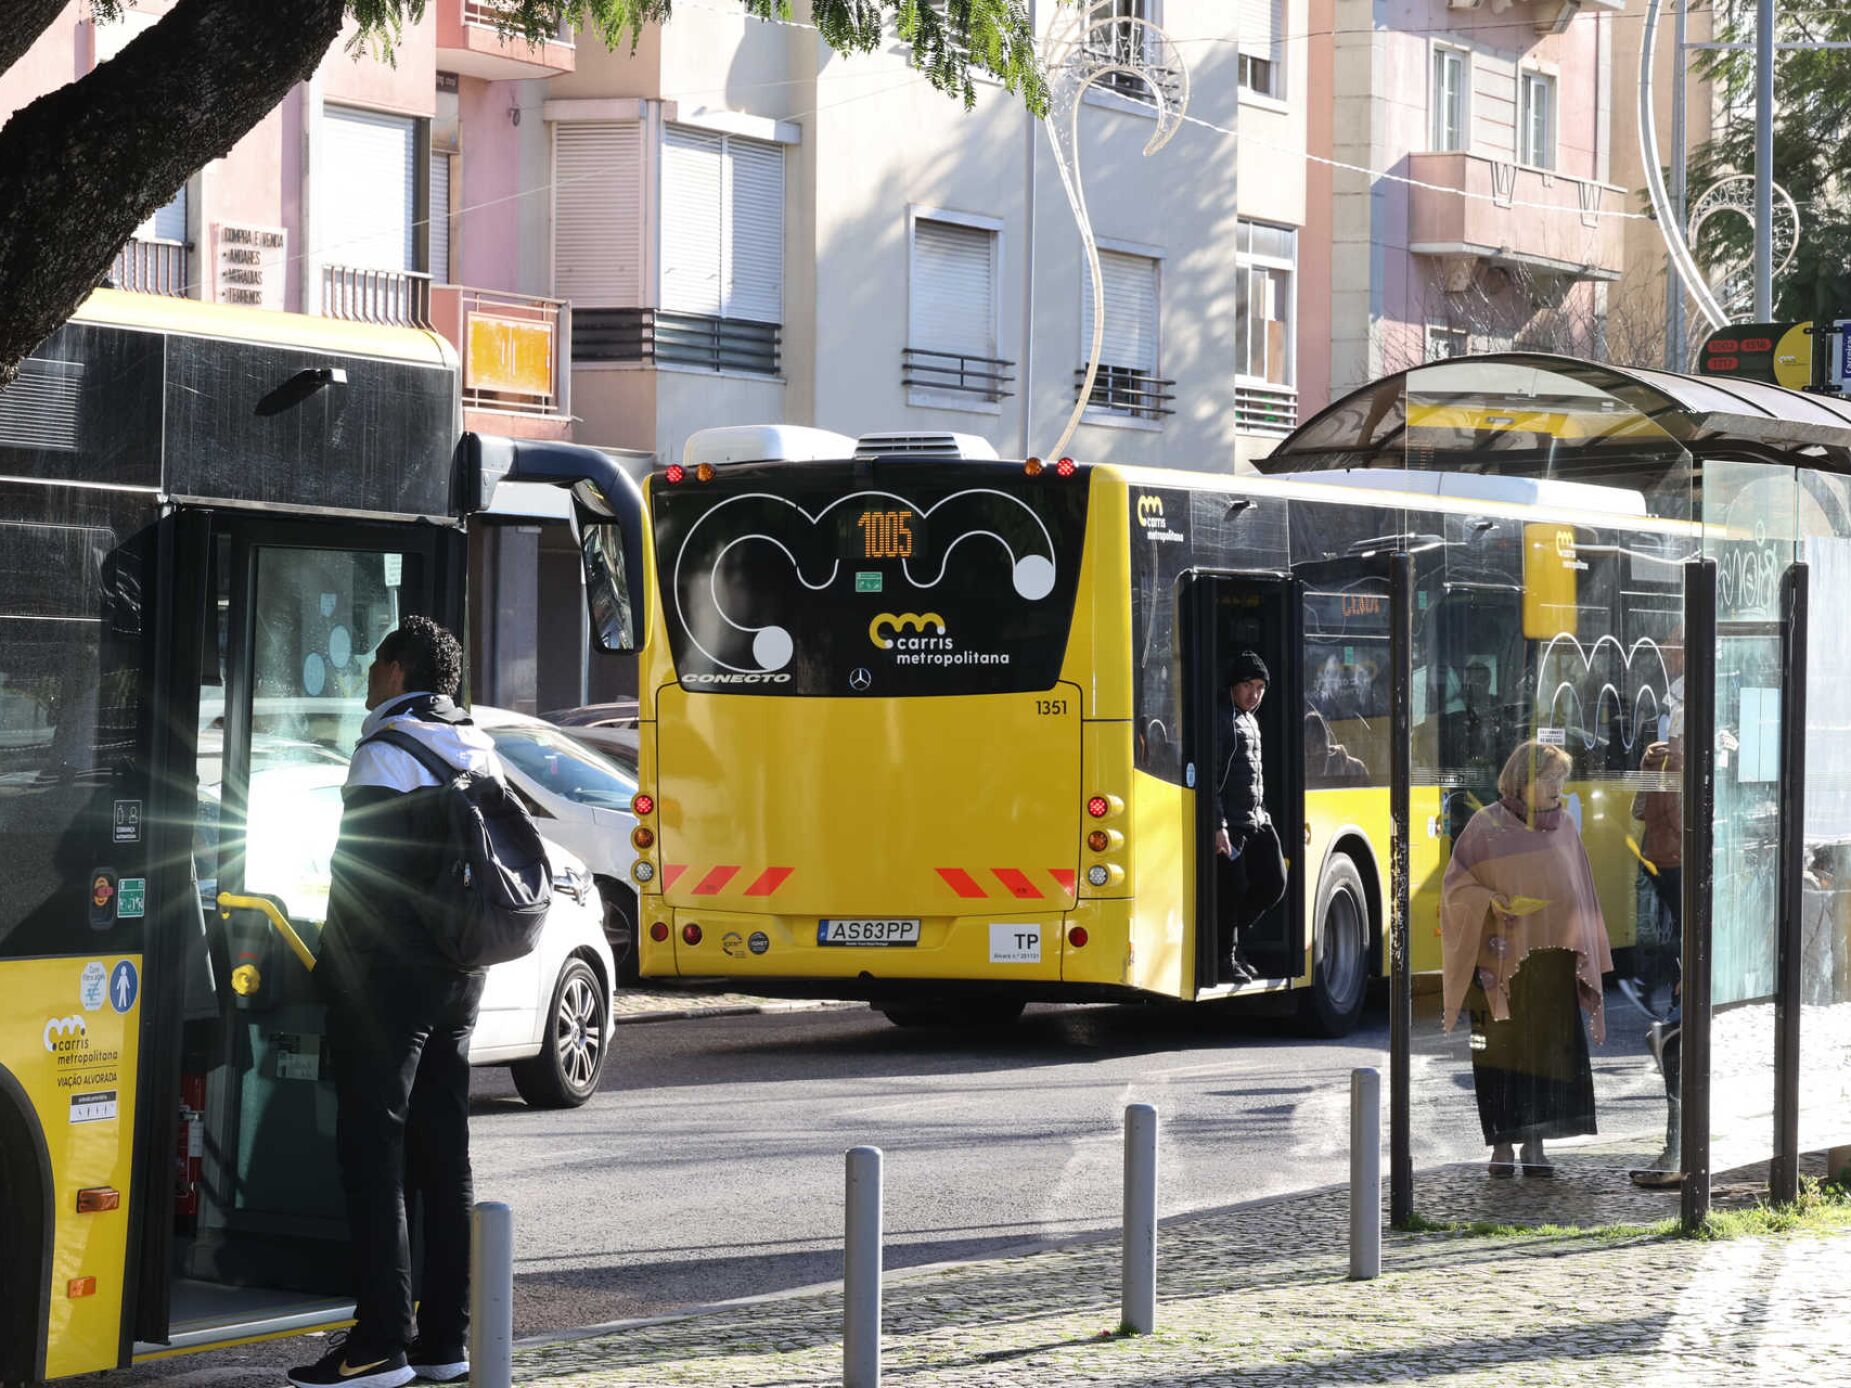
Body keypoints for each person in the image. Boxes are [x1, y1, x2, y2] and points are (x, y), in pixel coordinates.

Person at [289, 617, 500, 1388]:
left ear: (394, 670)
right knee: (445, 1153)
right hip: (460, 971)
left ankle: (379, 1341)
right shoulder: (473, 742)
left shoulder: (386, 750)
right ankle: (446, 1340)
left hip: (390, 976)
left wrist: (329, 969)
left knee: (371, 1154)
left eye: (373, 665)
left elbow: (362, 877)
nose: (367, 680)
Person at [1441, 740, 1612, 1178]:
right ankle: (1501, 1145)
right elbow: (1455, 888)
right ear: (1522, 780)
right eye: (1550, 778)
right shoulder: (1486, 827)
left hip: (1551, 962)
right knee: (1499, 1056)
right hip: (1498, 968)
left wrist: (1585, 949)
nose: (1559, 787)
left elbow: (1583, 891)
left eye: (1561, 778)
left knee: (1546, 1054)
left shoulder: (1565, 827)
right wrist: (1490, 901)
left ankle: (1535, 1142)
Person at [1213, 650, 1286, 984]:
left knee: (1274, 881)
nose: (1254, 694)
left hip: (1256, 818)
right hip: (1233, 823)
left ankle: (1233, 946)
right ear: (1233, 686)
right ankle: (1224, 958)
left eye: (1260, 687)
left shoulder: (1250, 719)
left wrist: (1263, 814)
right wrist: (1219, 826)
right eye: (1248, 686)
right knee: (1233, 890)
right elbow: (1213, 781)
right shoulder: (1223, 721)